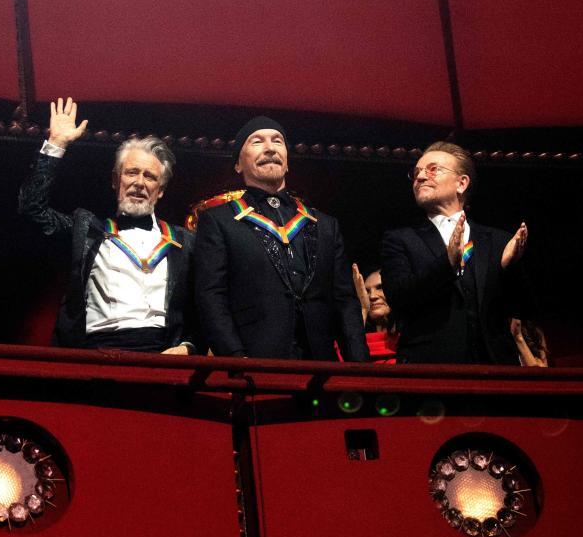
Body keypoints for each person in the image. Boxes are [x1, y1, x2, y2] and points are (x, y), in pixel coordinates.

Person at [19, 98, 199, 353]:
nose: (139, 182)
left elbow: (208, 305)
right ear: (115, 181)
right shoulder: (88, 230)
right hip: (97, 354)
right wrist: (56, 144)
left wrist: (189, 346)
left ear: (160, 191)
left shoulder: (185, 241)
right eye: (132, 172)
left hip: (163, 355)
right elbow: (32, 209)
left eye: (149, 176)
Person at [194, 116, 369, 361]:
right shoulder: (218, 221)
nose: (270, 148)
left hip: (321, 365)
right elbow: (211, 298)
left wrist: (360, 366)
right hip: (256, 365)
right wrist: (235, 359)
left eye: (278, 141)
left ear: (287, 162)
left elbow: (345, 302)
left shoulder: (325, 225)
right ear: (238, 164)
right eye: (257, 141)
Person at [381, 141, 528, 364]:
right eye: (417, 172)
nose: (420, 177)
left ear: (461, 183)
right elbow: (399, 297)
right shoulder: (401, 239)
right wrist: (446, 263)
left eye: (433, 169)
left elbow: (524, 308)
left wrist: (508, 268)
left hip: (494, 368)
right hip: (431, 368)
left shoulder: (499, 240)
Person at [351, 265, 398, 364]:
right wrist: (363, 310)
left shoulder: (412, 339)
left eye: (380, 287)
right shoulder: (350, 342)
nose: (372, 296)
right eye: (366, 291)